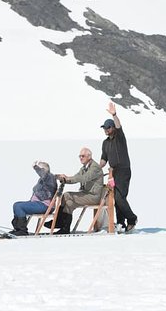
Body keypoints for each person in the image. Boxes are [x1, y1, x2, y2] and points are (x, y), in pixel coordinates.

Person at [100, 101, 138, 232]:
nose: (106, 130)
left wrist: (114, 114)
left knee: (119, 197)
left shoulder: (119, 137)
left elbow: (119, 126)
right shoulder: (105, 143)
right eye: (104, 128)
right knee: (115, 197)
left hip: (123, 170)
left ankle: (132, 219)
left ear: (112, 128)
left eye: (108, 127)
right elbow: (104, 159)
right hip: (113, 172)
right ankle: (121, 222)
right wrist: (96, 169)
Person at [50, 147, 104, 235]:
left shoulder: (95, 167)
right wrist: (65, 179)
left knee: (66, 195)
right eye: (80, 156)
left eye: (83, 156)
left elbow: (83, 178)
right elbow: (76, 177)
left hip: (93, 196)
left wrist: (67, 178)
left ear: (89, 156)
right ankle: (65, 228)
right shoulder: (84, 168)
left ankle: (57, 221)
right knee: (69, 203)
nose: (81, 158)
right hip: (86, 194)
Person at [9, 161, 57, 236]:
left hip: (44, 205)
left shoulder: (49, 177)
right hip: (38, 203)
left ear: (44, 170)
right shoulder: (42, 179)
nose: (38, 171)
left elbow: (43, 174)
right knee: (16, 204)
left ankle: (22, 231)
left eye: (40, 169)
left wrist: (35, 167)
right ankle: (17, 229)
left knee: (19, 206)